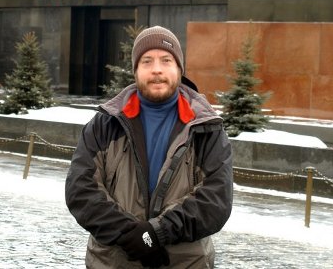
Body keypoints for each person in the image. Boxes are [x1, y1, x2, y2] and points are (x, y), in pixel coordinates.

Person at [65, 26, 233, 268]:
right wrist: (132, 235)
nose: (156, 69)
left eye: (166, 60)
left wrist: (156, 233)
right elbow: (81, 191)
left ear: (179, 69)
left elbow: (216, 201)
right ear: (135, 70)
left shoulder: (207, 129)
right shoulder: (104, 124)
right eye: (147, 61)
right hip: (113, 262)